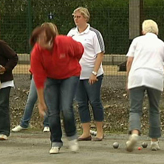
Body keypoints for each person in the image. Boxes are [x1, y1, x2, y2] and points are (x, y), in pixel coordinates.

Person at [125, 20, 164, 152]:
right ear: (157, 32)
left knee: (135, 109)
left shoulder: (137, 41)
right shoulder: (162, 45)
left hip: (137, 75)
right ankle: (154, 141)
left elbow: (129, 61)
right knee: (154, 109)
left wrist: (128, 79)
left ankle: (134, 133)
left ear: (143, 31)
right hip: (155, 78)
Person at [29, 24, 84, 154]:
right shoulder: (36, 52)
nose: (40, 42)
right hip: (50, 79)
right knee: (52, 112)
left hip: (70, 76)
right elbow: (39, 78)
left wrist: (72, 65)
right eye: (38, 39)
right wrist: (41, 102)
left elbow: (79, 51)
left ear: (51, 38)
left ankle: (72, 138)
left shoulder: (65, 42)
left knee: (66, 108)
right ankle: (56, 141)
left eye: (43, 38)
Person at [12, 22, 59, 133]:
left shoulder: (56, 45)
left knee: (47, 100)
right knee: (31, 99)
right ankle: (24, 123)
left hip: (49, 76)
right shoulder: (38, 47)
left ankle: (47, 124)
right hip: (37, 76)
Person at [67, 7, 105, 141]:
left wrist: (94, 73)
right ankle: (86, 132)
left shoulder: (94, 34)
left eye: (78, 17)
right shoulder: (71, 33)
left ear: (86, 18)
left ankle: (100, 131)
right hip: (77, 75)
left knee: (95, 101)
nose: (76, 19)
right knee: (81, 103)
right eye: (74, 17)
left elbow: (100, 53)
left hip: (92, 75)